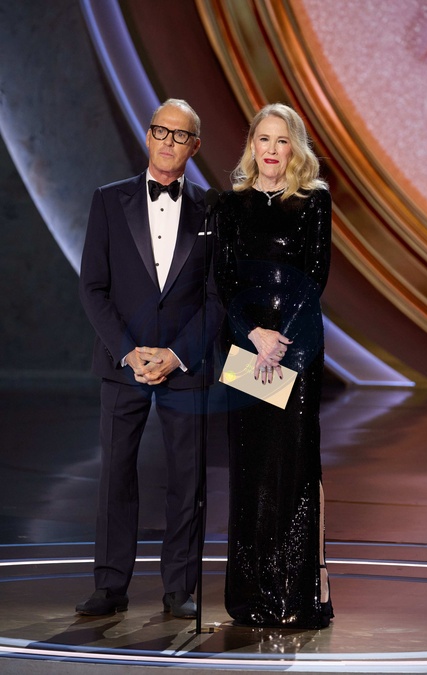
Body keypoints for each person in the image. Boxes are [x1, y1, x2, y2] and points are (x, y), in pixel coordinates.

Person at [76, 98, 223, 619]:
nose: (168, 141)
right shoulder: (108, 200)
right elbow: (93, 287)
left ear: (194, 146)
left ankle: (179, 588)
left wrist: (178, 354)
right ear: (147, 135)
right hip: (124, 363)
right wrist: (127, 351)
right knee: (116, 473)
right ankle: (109, 585)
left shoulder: (213, 208)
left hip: (185, 364)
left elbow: (217, 296)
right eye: (161, 130)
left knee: (187, 478)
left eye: (180, 135)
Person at [214, 103, 334, 628]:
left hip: (296, 348)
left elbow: (315, 275)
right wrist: (254, 334)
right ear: (252, 145)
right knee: (251, 467)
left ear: (294, 149)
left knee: (293, 464)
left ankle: (296, 593)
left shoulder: (313, 201)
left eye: (281, 140)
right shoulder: (230, 204)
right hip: (246, 349)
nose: (271, 149)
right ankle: (250, 595)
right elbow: (224, 279)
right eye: (263, 139)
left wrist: (278, 339)